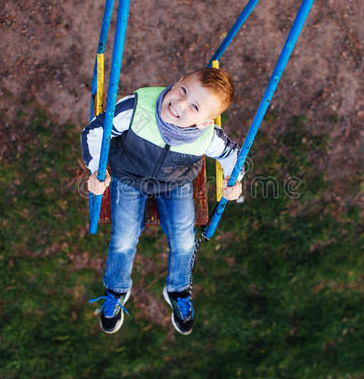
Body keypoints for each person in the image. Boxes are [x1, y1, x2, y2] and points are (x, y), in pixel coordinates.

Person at [81, 67, 243, 335]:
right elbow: (96, 131)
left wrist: (234, 182)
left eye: (194, 106)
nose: (179, 103)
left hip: (175, 183)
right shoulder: (136, 108)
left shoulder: (206, 137)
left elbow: (232, 155)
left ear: (205, 122)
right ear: (178, 81)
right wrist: (96, 167)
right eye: (183, 90)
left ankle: (178, 289)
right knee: (123, 238)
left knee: (185, 239)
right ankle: (117, 289)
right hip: (129, 175)